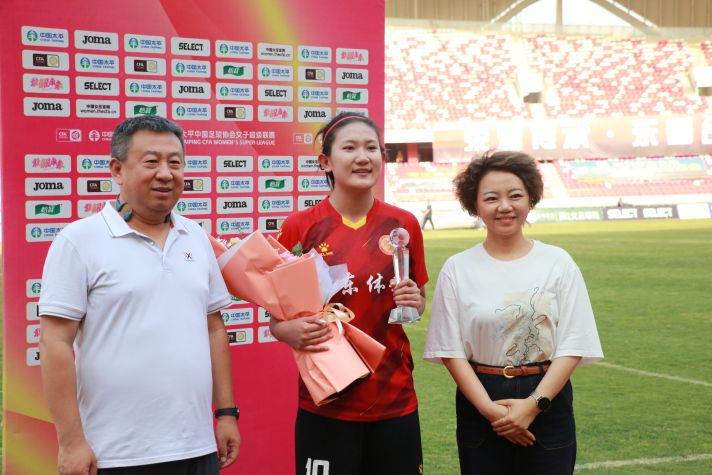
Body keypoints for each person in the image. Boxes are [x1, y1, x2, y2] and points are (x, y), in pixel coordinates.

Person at [39, 116, 241, 475]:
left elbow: (214, 329)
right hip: (116, 453)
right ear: (117, 170)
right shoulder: (79, 240)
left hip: (195, 446)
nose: (165, 173)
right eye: (151, 162)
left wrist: (226, 413)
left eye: (175, 162)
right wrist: (70, 442)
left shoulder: (195, 236)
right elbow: (54, 342)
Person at [423, 151, 603, 474]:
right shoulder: (457, 268)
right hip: (481, 401)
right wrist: (490, 411)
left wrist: (534, 405)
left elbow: (574, 342)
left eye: (515, 196)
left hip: (548, 399)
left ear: (530, 198)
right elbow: (450, 349)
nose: (504, 206)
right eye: (491, 198)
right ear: (474, 204)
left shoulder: (558, 263)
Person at [271, 113, 429, 475]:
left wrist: (414, 302)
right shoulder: (299, 227)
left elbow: (418, 301)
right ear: (325, 162)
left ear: (382, 157)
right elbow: (278, 320)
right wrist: (287, 331)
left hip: (394, 397)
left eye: (372, 148)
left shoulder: (403, 225)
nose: (363, 157)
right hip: (327, 399)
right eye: (350, 148)